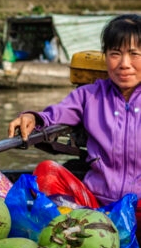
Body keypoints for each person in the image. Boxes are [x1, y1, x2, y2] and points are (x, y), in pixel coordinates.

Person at [8, 13, 141, 236]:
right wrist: (33, 118)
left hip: (139, 209)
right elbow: (55, 115)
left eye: (135, 54)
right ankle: (76, 234)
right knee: (47, 172)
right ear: (106, 56)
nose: (124, 64)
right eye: (115, 54)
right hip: (95, 206)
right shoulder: (89, 95)